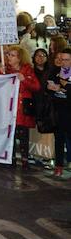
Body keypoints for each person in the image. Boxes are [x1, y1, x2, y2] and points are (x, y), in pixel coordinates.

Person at [5, 44, 41, 168]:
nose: (9, 57)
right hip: (10, 107)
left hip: (22, 107)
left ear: (19, 58)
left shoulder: (27, 69)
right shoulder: (5, 69)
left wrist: (24, 79)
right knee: (11, 133)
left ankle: (25, 159)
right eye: (8, 54)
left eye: (12, 55)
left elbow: (36, 86)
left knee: (24, 134)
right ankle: (11, 157)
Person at [47, 48, 71, 178]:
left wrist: (63, 87)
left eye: (67, 60)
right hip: (58, 110)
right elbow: (48, 86)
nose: (64, 62)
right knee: (59, 139)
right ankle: (59, 166)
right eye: (62, 60)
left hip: (69, 109)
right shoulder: (55, 71)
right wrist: (51, 88)